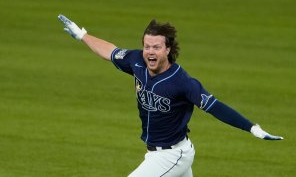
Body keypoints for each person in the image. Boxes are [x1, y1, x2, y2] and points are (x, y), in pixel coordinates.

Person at [58, 14, 283, 177]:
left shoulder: (182, 83)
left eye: (156, 47)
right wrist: (82, 35)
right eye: (147, 46)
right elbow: (110, 51)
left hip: (171, 156)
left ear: (167, 49)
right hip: (168, 154)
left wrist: (252, 128)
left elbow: (216, 107)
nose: (150, 52)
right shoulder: (136, 61)